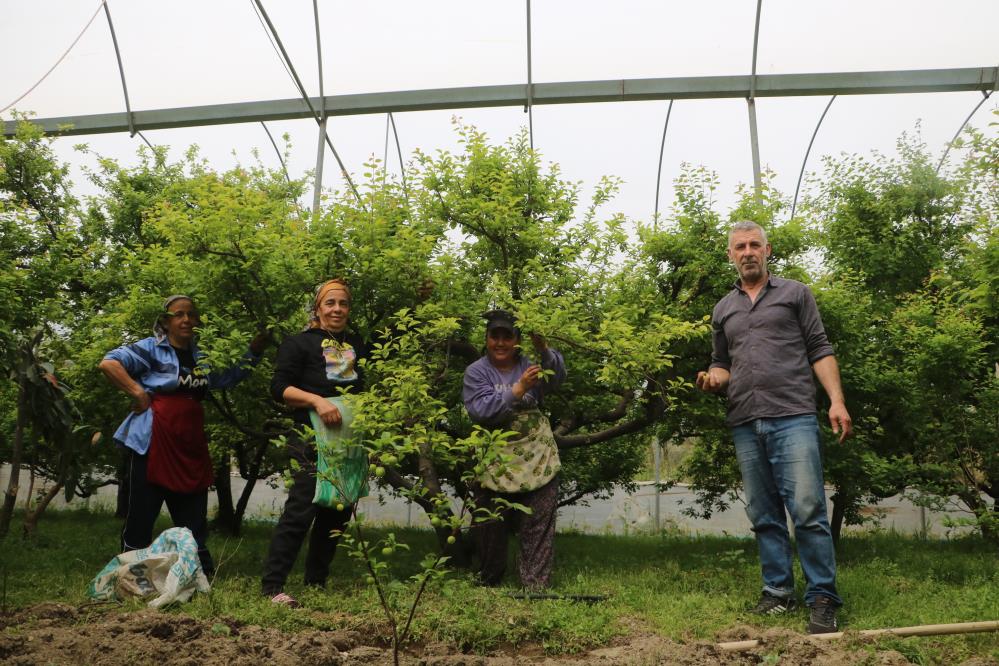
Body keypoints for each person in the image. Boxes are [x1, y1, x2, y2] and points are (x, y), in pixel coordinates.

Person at [695, 221, 853, 634]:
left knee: (807, 510)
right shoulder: (722, 309)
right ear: (730, 255)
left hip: (793, 415)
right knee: (764, 514)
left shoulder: (795, 294)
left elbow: (820, 348)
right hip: (744, 420)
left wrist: (836, 400)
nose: (747, 251)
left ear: (767, 250)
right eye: (739, 247)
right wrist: (713, 379)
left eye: (754, 245)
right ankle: (777, 592)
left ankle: (823, 598)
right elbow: (721, 363)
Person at [100, 295, 266, 576]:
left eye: (191, 314)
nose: (186, 320)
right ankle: (130, 578)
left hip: (190, 442)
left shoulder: (201, 357)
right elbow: (109, 363)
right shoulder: (151, 349)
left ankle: (199, 576)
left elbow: (228, 377)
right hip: (153, 442)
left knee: (193, 516)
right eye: (179, 314)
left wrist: (255, 350)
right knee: (142, 514)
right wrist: (137, 392)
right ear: (166, 321)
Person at [261, 279, 368, 607]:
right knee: (302, 508)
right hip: (311, 436)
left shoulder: (357, 343)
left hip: (348, 439)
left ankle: (316, 580)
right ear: (318, 308)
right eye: (330, 303)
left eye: (343, 304)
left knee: (338, 508)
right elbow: (279, 387)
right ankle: (272, 586)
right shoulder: (299, 344)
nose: (337, 309)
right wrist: (319, 402)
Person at [463, 309, 566, 589]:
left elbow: (556, 378)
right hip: (495, 456)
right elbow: (481, 411)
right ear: (486, 339)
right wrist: (519, 388)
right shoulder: (477, 371)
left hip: (536, 455)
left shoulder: (529, 363)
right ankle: (488, 580)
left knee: (538, 522)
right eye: (494, 336)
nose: (500, 342)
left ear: (517, 340)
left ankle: (535, 586)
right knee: (489, 525)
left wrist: (543, 347)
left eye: (507, 336)